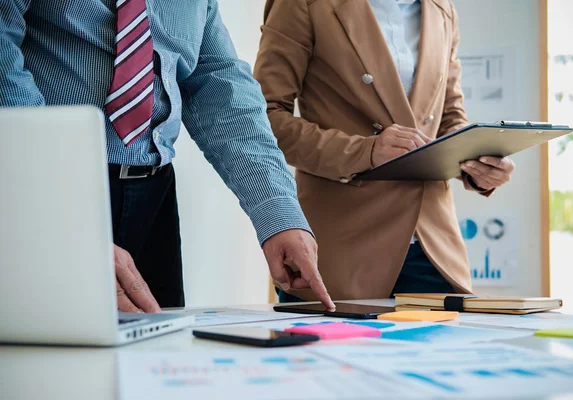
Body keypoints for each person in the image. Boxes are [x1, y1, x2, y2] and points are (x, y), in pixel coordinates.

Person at [0, 0, 334, 311]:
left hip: (153, 196)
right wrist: (64, 223)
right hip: (43, 189)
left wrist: (278, 214)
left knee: (158, 357)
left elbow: (220, 84)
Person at [254, 0, 516, 302]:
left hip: (433, 250)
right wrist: (363, 151)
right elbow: (264, 116)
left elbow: (449, 117)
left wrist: (478, 160)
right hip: (341, 248)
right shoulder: (305, 4)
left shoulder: (442, 9)